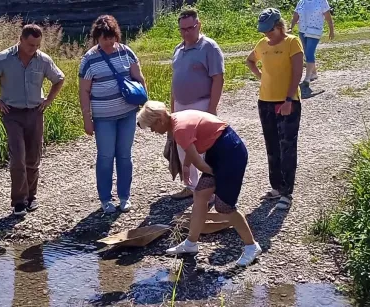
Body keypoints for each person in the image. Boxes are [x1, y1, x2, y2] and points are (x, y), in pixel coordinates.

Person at [136, 100, 261, 267]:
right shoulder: (176, 120)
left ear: (159, 120)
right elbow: (192, 149)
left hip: (231, 152)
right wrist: (186, 166)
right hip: (218, 150)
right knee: (200, 194)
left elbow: (200, 164)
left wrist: (220, 176)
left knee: (224, 207)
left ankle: (252, 246)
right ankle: (191, 243)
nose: (152, 131)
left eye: (152, 127)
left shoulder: (179, 129)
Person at [0, 24, 65, 216]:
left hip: (35, 112)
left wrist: (49, 99)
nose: (34, 48)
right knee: (18, 158)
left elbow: (59, 78)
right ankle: (18, 201)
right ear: (21, 40)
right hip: (12, 113)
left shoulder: (43, 60)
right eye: (30, 44)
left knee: (33, 157)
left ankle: (31, 197)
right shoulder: (4, 58)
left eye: (37, 45)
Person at [78, 14, 147, 214]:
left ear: (116, 35)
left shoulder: (126, 52)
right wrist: (86, 118)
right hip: (103, 117)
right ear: (97, 38)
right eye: (103, 38)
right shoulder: (89, 59)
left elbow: (139, 79)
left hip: (127, 114)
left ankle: (124, 197)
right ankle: (106, 199)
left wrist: (145, 108)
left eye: (111, 37)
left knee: (125, 156)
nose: (108, 42)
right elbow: (84, 91)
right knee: (106, 156)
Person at [246, 8, 304, 210]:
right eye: (264, 31)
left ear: (279, 26)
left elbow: (297, 72)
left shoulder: (292, 42)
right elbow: (250, 60)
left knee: (287, 146)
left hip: (287, 101)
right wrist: (261, 76)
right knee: (271, 146)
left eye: (269, 30)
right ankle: (277, 187)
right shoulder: (262, 44)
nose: (266, 35)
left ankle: (287, 192)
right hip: (265, 101)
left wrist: (289, 99)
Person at [169, 8, 225, 201]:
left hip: (201, 105)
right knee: (183, 149)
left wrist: (211, 109)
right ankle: (190, 186)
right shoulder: (178, 49)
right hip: (180, 106)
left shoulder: (209, 47)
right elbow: (174, 81)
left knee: (203, 149)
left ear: (199, 25)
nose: (186, 32)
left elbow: (218, 78)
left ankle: (208, 191)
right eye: (182, 29)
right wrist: (172, 108)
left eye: (190, 28)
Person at [289, 0, 335, 87]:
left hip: (315, 30)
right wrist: (291, 27)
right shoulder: (301, 2)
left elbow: (328, 16)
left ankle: (307, 77)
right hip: (302, 30)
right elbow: (296, 15)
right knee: (306, 53)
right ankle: (314, 73)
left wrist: (331, 30)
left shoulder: (322, 1)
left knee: (309, 53)